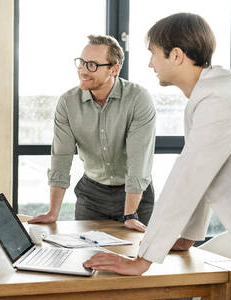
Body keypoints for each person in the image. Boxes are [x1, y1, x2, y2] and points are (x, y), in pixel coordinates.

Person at [84, 13, 231, 300]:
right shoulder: (213, 93)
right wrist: (186, 238)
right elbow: (203, 178)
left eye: (154, 54)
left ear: (177, 55)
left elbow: (187, 178)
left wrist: (142, 261)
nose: (150, 64)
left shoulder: (220, 99)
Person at [30, 35, 156, 232]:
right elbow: (61, 157)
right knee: (89, 257)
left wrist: (130, 214)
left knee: (138, 255)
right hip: (92, 195)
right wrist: (53, 211)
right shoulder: (68, 102)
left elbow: (138, 161)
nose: (83, 70)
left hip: (135, 195)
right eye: (81, 63)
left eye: (92, 65)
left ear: (114, 69)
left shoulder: (138, 99)